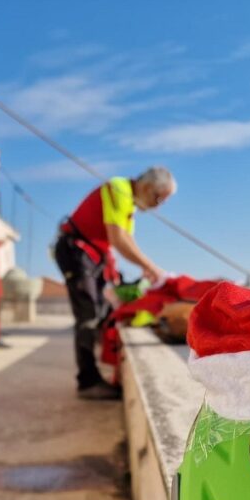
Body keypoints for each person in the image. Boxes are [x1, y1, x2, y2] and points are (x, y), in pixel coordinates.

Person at [55, 167, 175, 400]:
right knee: (88, 314)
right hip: (77, 253)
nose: (157, 206)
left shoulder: (129, 204)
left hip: (92, 257)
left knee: (102, 311)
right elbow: (118, 239)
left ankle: (96, 373)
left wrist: (141, 268)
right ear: (147, 187)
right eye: (159, 199)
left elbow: (126, 240)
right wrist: (151, 268)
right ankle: (88, 382)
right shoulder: (118, 189)